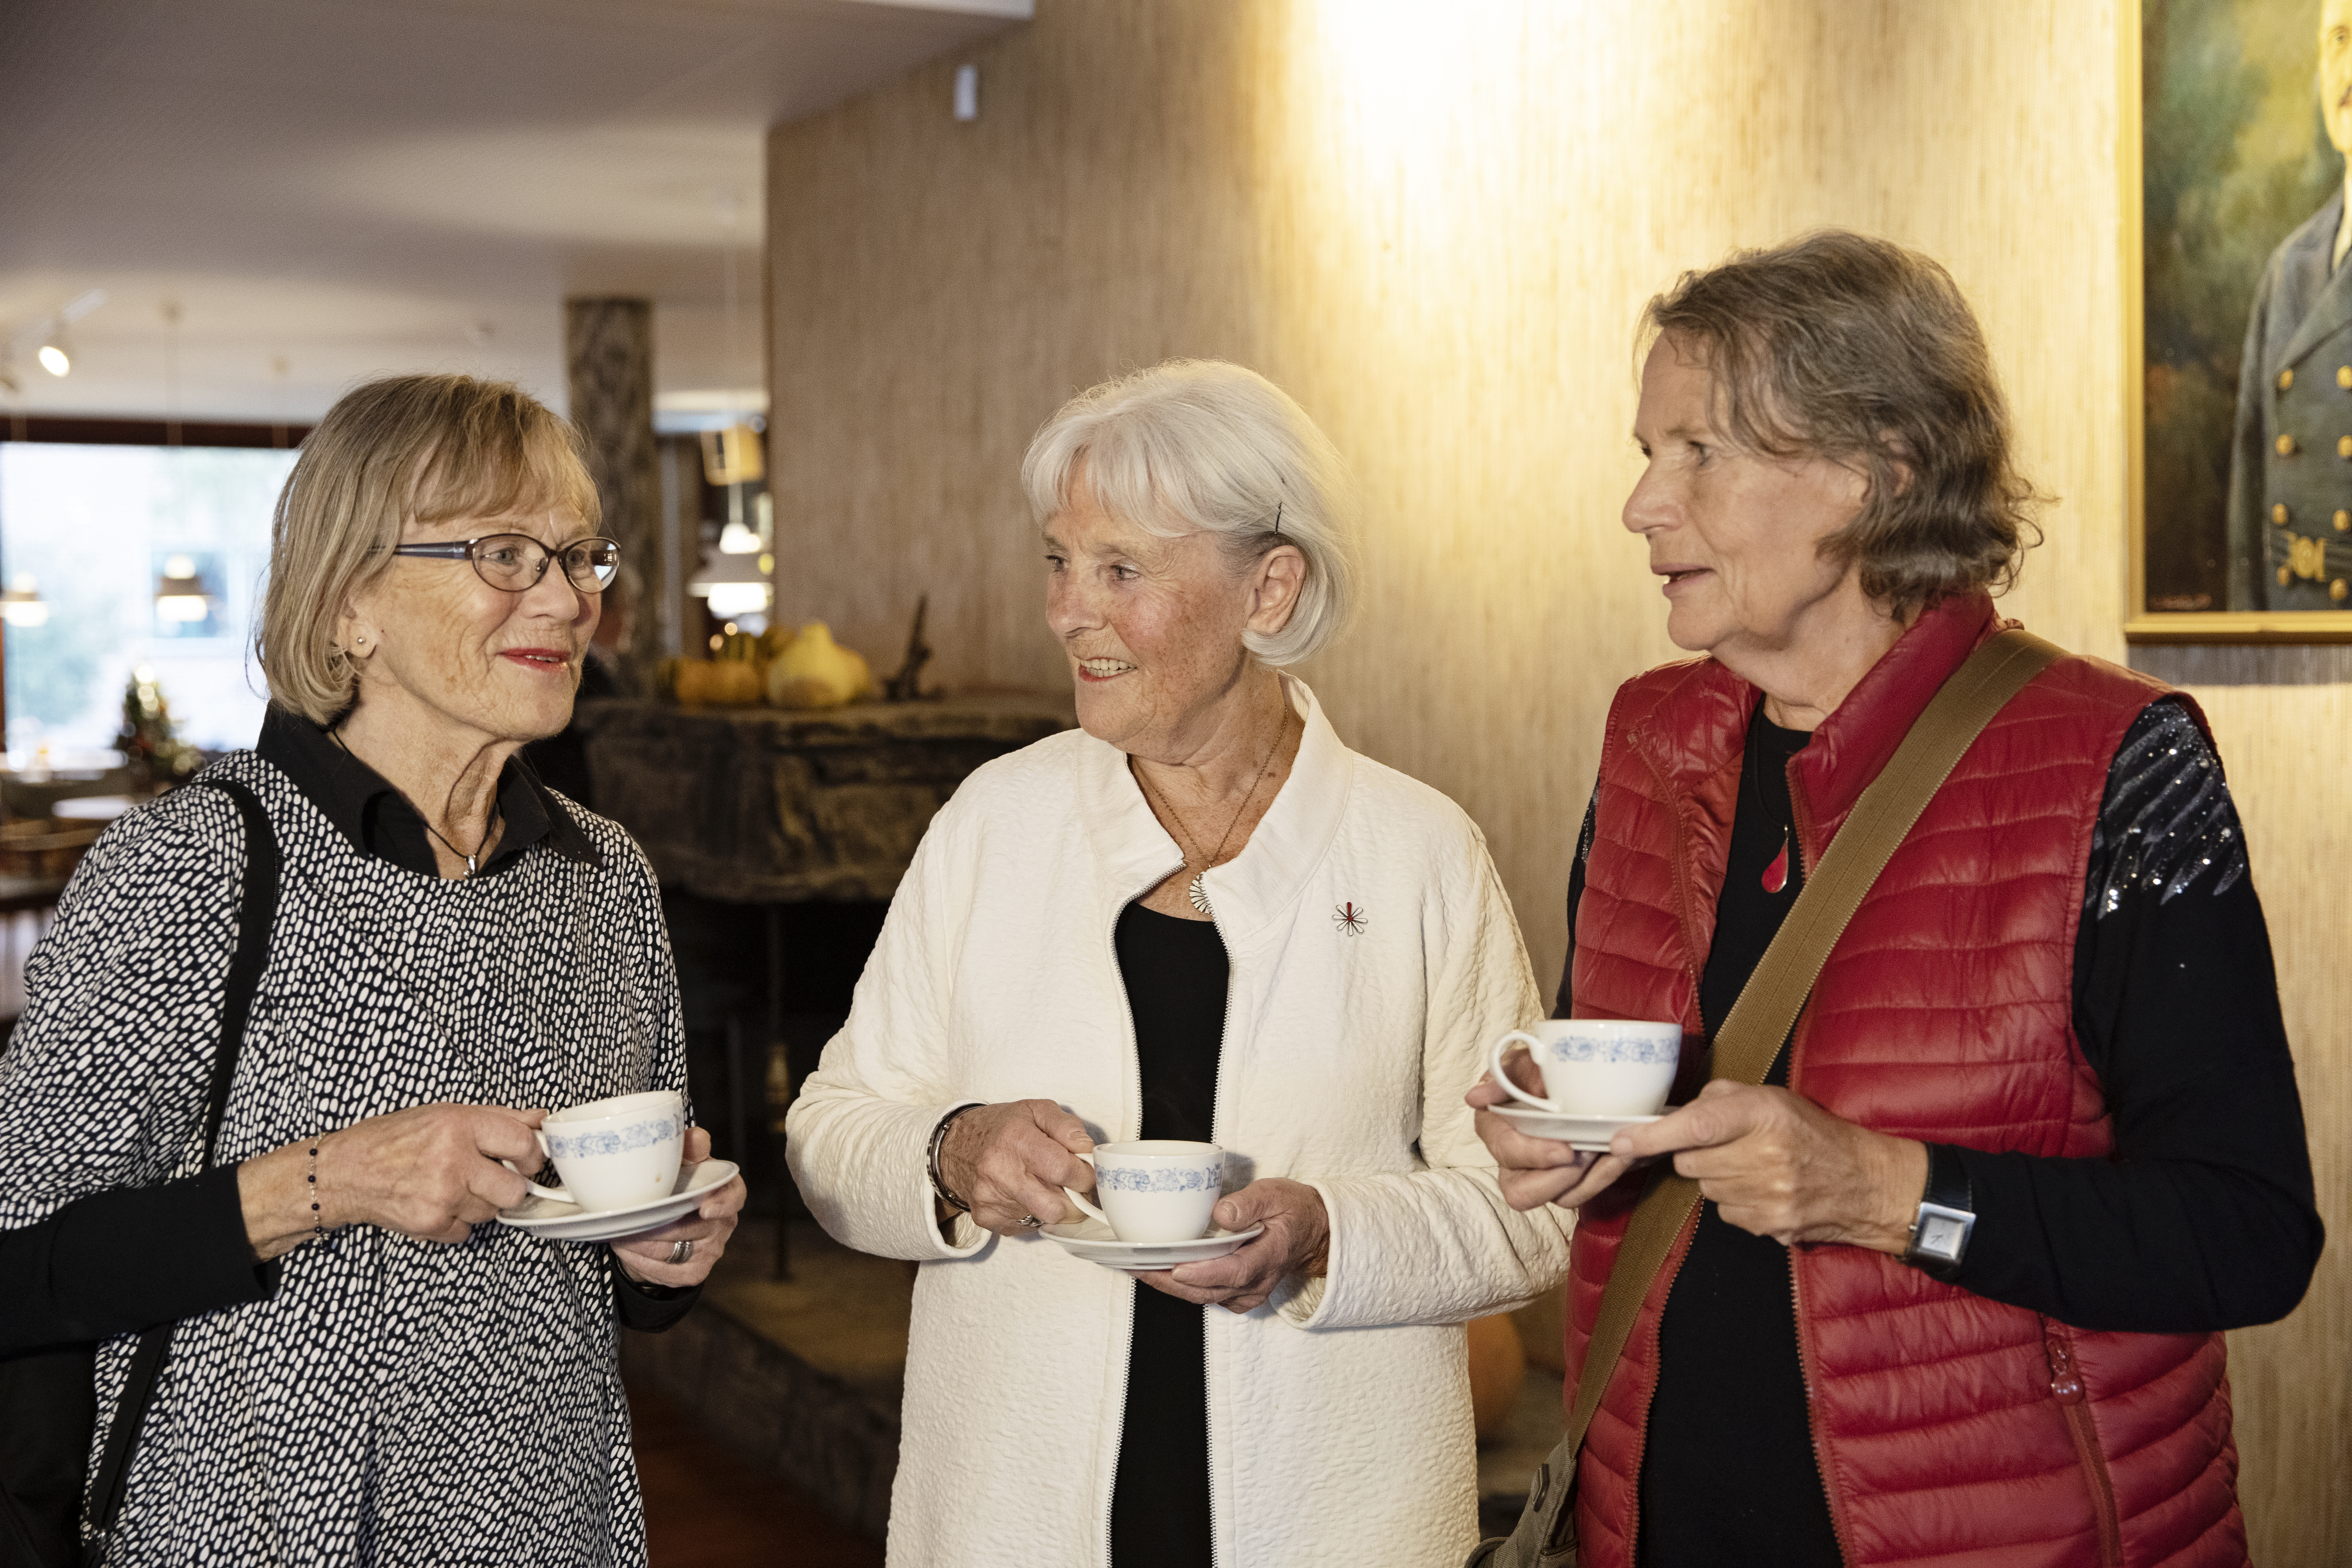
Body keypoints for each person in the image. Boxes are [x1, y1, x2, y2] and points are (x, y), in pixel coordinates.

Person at [1472, 233, 2323, 1568]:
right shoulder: (1647, 744)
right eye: (1647, 453)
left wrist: (1884, 1190)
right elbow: (1633, 1093)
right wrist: (1554, 1133)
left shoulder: (2119, 763)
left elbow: (2247, 1236)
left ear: (1880, 471)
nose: (1642, 504)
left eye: (1699, 452)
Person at [787, 359, 1572, 1567]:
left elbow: (1533, 1211)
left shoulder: (1419, 852)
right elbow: (830, 1133)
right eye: (1059, 561)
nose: (1068, 611)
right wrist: (949, 1151)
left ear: (1269, 588)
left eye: (1121, 570)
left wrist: (1328, 1233)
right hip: (1013, 1521)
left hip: (1336, 1526)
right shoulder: (996, 822)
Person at [0, 374, 745, 1565]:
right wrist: (332, 1180)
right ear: (351, 604)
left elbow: (619, 1263)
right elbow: (20, 1263)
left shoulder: (605, 878)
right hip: (246, 1532)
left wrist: (668, 1257)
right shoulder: (192, 866)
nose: (567, 599)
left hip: (551, 1521)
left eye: (577, 556)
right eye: (503, 555)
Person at [2225, 0, 2352, 611]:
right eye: (2339, 39)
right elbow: (2250, 492)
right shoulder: (2288, 269)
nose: (2350, 68)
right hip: (2289, 632)